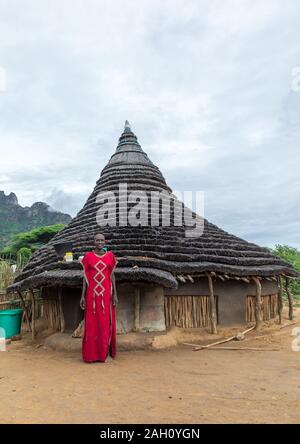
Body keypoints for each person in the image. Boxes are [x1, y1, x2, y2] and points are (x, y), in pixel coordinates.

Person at [79, 233, 118, 363]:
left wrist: (115, 295)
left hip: (106, 296)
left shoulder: (110, 256)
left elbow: (112, 276)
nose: (99, 242)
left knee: (105, 324)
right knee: (91, 325)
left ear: (105, 241)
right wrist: (83, 296)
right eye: (97, 240)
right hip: (92, 297)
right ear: (93, 242)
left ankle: (104, 354)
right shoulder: (87, 257)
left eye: (101, 240)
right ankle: (91, 355)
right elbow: (85, 278)